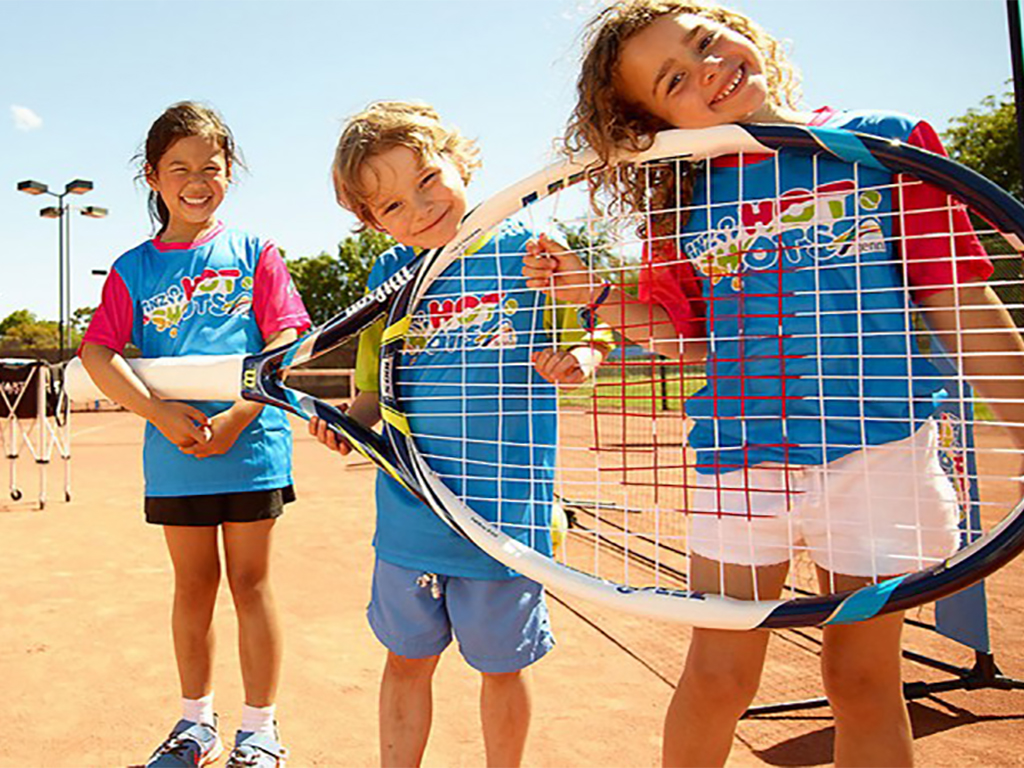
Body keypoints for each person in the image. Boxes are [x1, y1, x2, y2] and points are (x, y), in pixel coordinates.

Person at [521, 2, 1024, 766]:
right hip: (740, 464)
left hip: (882, 457)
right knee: (718, 676)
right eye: (675, 79)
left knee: (862, 683)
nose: (710, 69)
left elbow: (959, 302)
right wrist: (592, 290)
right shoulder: (681, 202)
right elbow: (688, 343)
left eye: (704, 41)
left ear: (738, 24)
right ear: (652, 121)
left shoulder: (887, 144)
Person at [309, 100, 607, 768]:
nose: (417, 209)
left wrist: (580, 358)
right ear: (370, 221)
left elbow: (597, 327)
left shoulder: (526, 252)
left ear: (462, 161)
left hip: (506, 516)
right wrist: (351, 427)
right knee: (405, 662)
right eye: (390, 207)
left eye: (427, 180)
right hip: (412, 514)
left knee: (502, 669)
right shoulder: (387, 278)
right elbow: (372, 387)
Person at [79, 101, 310, 768]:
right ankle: (195, 726)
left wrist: (240, 412)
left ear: (228, 171)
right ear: (153, 176)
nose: (196, 179)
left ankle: (260, 730)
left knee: (251, 584)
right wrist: (157, 412)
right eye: (178, 167)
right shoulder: (133, 268)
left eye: (210, 166)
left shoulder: (255, 253)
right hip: (178, 456)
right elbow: (99, 353)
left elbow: (286, 338)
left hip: (252, 451)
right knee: (192, 587)